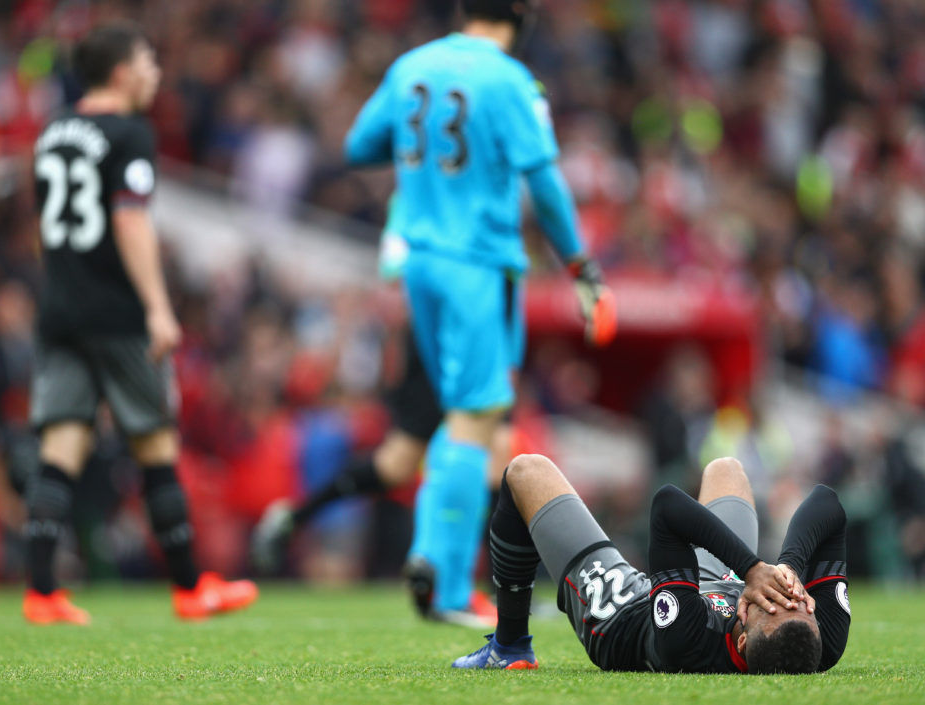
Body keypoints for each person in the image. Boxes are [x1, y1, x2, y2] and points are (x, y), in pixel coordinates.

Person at [344, 0, 615, 621]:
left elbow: (360, 145)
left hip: (420, 263)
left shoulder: (413, 65)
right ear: (520, 17)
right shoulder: (508, 80)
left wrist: (427, 155)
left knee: (466, 414)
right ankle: (442, 584)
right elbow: (544, 183)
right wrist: (580, 265)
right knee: (478, 415)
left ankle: (428, 557)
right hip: (478, 263)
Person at [24, 23, 258, 624]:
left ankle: (42, 590)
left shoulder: (53, 131)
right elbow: (130, 221)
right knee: (155, 444)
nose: (156, 71)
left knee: (63, 444)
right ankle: (188, 588)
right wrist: (157, 305)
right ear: (123, 72)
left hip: (59, 307)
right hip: (117, 311)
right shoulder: (130, 133)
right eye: (149, 61)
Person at [251, 194, 503, 626]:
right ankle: (456, 580)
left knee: (401, 463)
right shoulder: (461, 186)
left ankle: (298, 515)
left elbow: (393, 262)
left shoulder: (422, 178)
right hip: (451, 336)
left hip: (435, 335)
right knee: (482, 455)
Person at [453, 455, 850, 674]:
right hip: (717, 587)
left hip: (628, 613)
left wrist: (750, 569)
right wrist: (790, 567)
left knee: (526, 471)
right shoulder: (821, 642)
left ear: (742, 642)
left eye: (772, 606)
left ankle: (509, 646)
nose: (786, 597)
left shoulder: (689, 644)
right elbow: (827, 503)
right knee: (726, 469)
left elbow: (667, 506)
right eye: (797, 602)